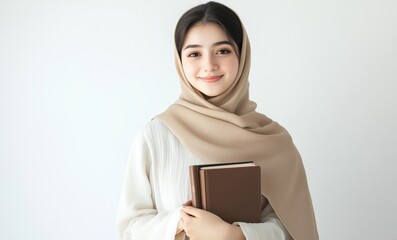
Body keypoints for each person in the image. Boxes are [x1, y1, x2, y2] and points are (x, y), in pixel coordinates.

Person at [117, 1, 319, 239]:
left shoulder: (274, 141)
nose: (209, 65)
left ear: (241, 55)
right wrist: (180, 222)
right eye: (194, 54)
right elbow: (130, 228)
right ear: (180, 61)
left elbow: (293, 229)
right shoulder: (157, 135)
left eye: (222, 51)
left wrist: (235, 235)